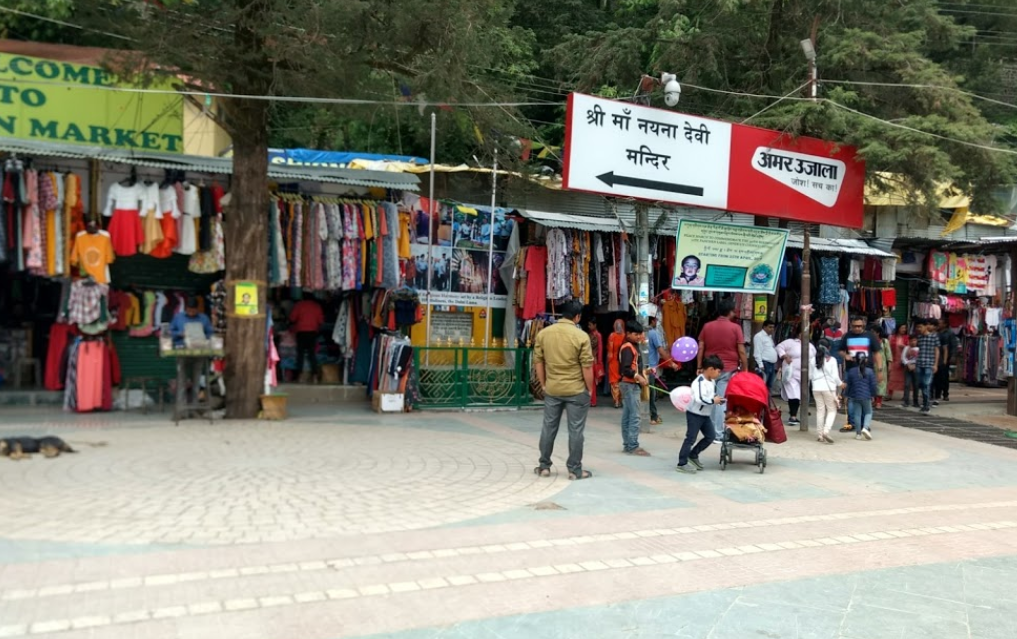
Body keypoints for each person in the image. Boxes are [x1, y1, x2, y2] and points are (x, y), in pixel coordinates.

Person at [533, 300, 595, 480]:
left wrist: (544, 385)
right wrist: (589, 389)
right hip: (576, 390)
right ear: (577, 317)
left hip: (553, 389)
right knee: (576, 430)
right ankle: (574, 470)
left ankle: (544, 466)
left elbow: (538, 361)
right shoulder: (581, 336)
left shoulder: (544, 334)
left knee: (548, 428)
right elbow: (587, 367)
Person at [698, 298, 748, 430]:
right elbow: (741, 351)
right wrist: (745, 368)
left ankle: (709, 430)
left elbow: (701, 347)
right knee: (720, 400)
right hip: (728, 368)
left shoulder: (707, 326)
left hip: (709, 368)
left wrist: (699, 366)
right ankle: (718, 432)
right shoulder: (736, 328)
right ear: (730, 312)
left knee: (709, 399)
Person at [676, 355, 725, 473]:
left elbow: (710, 395)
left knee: (710, 436)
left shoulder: (711, 381)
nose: (719, 374)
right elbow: (700, 399)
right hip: (695, 414)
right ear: (710, 369)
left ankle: (693, 455)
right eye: (718, 371)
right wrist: (713, 401)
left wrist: (716, 399)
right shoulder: (699, 382)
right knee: (690, 438)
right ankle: (682, 463)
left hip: (704, 415)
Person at [837, 316, 884, 431]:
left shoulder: (870, 336)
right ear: (850, 325)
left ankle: (864, 425)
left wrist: (880, 370)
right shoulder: (847, 336)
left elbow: (877, 353)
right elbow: (840, 350)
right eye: (855, 326)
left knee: (865, 397)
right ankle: (852, 423)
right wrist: (845, 355)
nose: (857, 328)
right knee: (850, 397)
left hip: (867, 370)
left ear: (863, 325)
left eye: (860, 326)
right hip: (850, 370)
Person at [618, 320, 650, 456]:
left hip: (629, 384)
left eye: (640, 334)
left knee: (627, 415)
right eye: (636, 334)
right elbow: (625, 369)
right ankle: (632, 445)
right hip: (629, 384)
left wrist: (646, 373)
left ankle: (628, 444)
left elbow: (633, 366)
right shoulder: (627, 347)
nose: (639, 336)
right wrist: (638, 377)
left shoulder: (633, 346)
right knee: (635, 416)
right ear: (628, 333)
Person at [776, 335, 816, 426]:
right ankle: (793, 416)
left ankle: (801, 413)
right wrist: (784, 356)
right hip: (791, 373)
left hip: (805, 374)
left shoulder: (810, 346)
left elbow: (814, 357)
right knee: (793, 394)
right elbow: (779, 347)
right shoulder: (790, 342)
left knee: (802, 395)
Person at [810, 341, 843, 444]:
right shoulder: (832, 360)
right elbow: (835, 377)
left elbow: (810, 376)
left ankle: (820, 435)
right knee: (832, 410)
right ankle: (826, 431)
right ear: (828, 347)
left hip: (816, 388)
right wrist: (840, 384)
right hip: (828, 388)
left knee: (820, 410)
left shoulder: (812, 360)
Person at [290, 294, 324, 382]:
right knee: (312, 354)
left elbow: (292, 318)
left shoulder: (299, 305)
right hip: (312, 333)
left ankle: (300, 375)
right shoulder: (316, 306)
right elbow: (321, 320)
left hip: (301, 332)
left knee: (300, 354)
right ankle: (315, 376)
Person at [646, 313, 673, 426]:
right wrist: (671, 363)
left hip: (643, 366)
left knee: (645, 392)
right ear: (652, 321)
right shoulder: (653, 333)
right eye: (656, 320)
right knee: (651, 393)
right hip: (651, 367)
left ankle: (651, 415)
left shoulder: (641, 333)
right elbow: (660, 350)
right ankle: (653, 416)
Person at [844, 353, 878, 440]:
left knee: (857, 414)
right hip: (866, 396)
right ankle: (865, 428)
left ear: (855, 360)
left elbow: (849, 385)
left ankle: (858, 434)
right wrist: (873, 395)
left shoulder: (851, 371)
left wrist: (846, 395)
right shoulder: (870, 371)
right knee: (868, 412)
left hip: (855, 396)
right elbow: (873, 385)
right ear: (866, 360)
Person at [916, 320, 940, 414]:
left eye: (920, 327)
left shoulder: (934, 337)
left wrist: (935, 364)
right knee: (921, 384)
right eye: (918, 327)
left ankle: (926, 405)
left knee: (926, 384)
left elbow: (937, 350)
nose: (919, 329)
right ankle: (925, 403)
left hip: (929, 364)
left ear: (926, 326)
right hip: (919, 363)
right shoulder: (919, 337)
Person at [934, 318, 958, 404]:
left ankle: (945, 394)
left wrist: (953, 356)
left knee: (944, 377)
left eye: (940, 323)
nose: (938, 325)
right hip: (937, 358)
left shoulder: (949, 333)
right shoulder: (936, 333)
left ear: (944, 324)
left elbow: (954, 345)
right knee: (937, 377)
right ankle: (937, 393)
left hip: (946, 358)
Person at [752, 320, 778, 391]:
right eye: (770, 327)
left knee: (769, 385)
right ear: (764, 327)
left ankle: (766, 401)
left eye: (773, 327)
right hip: (764, 364)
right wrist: (760, 365)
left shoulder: (769, 337)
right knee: (762, 385)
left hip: (771, 364)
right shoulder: (759, 336)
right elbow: (757, 351)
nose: (772, 329)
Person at [886, 324, 910, 401]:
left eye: (905, 328)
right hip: (894, 359)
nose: (904, 329)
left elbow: (910, 348)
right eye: (902, 328)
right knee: (891, 377)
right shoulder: (892, 337)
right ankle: (889, 394)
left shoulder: (907, 338)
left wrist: (904, 347)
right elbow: (888, 348)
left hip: (904, 360)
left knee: (904, 378)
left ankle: (904, 395)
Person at [607, 319, 626, 408]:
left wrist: (608, 361)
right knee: (622, 380)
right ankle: (621, 400)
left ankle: (616, 401)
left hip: (614, 361)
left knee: (614, 382)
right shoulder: (625, 336)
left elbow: (610, 351)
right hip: (623, 361)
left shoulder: (612, 336)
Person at [871, 323, 891, 409]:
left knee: (881, 383)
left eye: (873, 332)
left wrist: (889, 365)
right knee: (872, 382)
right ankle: (875, 400)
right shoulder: (870, 341)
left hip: (881, 365)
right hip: (871, 364)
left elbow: (888, 354)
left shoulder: (884, 341)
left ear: (878, 333)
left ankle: (879, 401)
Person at [586, 319, 605, 408]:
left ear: (595, 325)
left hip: (594, 360)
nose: (589, 327)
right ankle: (590, 400)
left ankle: (592, 400)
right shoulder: (589, 334)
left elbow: (600, 349)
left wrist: (599, 362)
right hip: (588, 359)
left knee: (592, 381)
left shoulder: (598, 335)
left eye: (590, 325)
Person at [901, 332, 920, 408]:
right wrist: (907, 364)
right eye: (911, 340)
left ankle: (916, 401)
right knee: (907, 384)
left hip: (916, 367)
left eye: (914, 340)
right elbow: (903, 357)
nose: (913, 342)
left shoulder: (919, 349)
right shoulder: (906, 348)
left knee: (916, 385)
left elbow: (920, 358)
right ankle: (906, 401)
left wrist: (915, 365)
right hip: (908, 367)